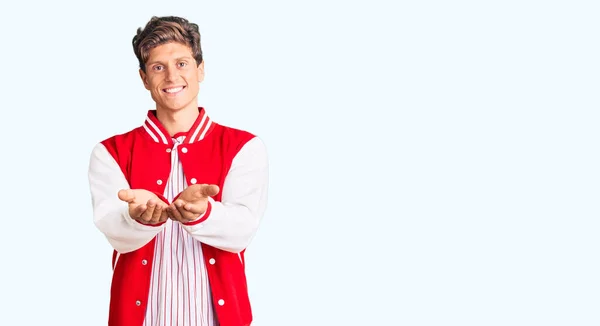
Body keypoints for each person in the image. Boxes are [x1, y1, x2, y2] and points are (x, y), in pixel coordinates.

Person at [87, 15, 269, 326]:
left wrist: (203, 213)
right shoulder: (110, 152)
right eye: (158, 67)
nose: (172, 76)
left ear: (201, 69)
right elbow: (113, 230)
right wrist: (137, 217)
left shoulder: (244, 146)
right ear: (144, 79)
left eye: (182, 64)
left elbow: (243, 229)